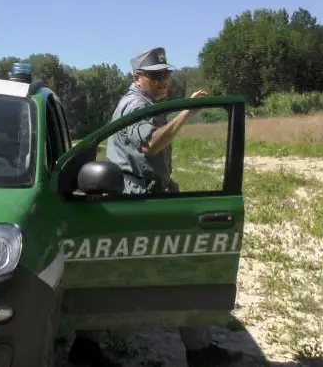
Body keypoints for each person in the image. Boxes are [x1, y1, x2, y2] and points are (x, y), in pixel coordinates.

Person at [67, 47, 244, 367]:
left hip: (141, 197)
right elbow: (152, 144)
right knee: (180, 270)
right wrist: (186, 111)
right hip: (138, 200)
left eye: (166, 74)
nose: (163, 80)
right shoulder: (136, 105)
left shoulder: (146, 104)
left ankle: (86, 347)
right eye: (155, 75)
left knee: (112, 273)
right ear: (138, 77)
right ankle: (199, 352)